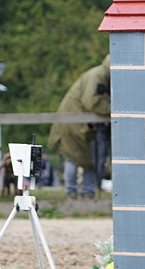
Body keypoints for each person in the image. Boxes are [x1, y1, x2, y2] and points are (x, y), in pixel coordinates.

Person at [47, 55, 112, 199]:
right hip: (74, 123)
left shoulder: (101, 75)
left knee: (87, 159)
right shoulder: (98, 76)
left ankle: (86, 192)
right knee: (73, 157)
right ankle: (72, 191)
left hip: (79, 123)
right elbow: (92, 101)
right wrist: (113, 109)